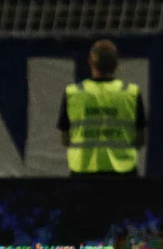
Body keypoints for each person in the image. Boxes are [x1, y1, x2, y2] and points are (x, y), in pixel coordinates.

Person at [58, 39, 146, 177]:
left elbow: (65, 139)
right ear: (116, 64)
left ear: (90, 63)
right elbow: (140, 139)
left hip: (83, 174)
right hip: (123, 174)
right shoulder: (131, 93)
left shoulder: (73, 93)